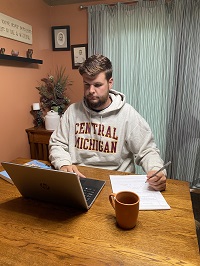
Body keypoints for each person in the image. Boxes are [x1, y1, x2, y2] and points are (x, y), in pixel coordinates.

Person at [49, 54, 167, 191]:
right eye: (86, 84)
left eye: (97, 85)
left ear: (110, 82)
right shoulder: (72, 112)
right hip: (79, 181)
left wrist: (156, 170)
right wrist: (63, 164)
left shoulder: (128, 114)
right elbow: (57, 144)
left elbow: (147, 151)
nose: (91, 91)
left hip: (117, 184)